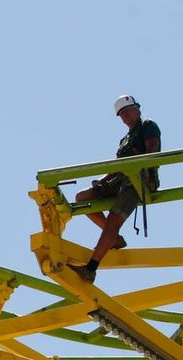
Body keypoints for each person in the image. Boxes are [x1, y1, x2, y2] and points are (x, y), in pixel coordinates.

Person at [68, 94, 161, 283]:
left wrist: (139, 165)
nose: (126, 116)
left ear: (138, 109)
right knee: (82, 198)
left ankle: (91, 268)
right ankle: (115, 239)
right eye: (122, 114)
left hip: (139, 180)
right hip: (121, 178)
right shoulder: (125, 139)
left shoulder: (148, 126)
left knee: (113, 220)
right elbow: (118, 166)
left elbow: (153, 152)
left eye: (128, 111)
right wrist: (102, 181)